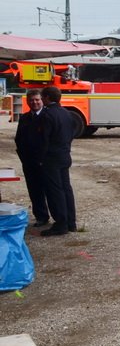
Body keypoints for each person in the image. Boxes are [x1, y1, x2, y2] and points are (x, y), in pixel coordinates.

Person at [37, 86, 77, 237]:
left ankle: (61, 224)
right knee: (66, 188)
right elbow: (72, 132)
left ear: (47, 98)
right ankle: (71, 222)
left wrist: (40, 157)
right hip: (64, 154)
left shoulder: (47, 115)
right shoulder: (66, 113)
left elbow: (44, 139)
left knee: (55, 191)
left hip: (51, 157)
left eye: (42, 97)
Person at [14, 89, 49, 226]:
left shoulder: (47, 116)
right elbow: (19, 138)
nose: (34, 102)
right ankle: (41, 216)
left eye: (37, 100)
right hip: (29, 162)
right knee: (34, 190)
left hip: (45, 162)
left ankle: (59, 217)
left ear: (42, 101)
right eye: (31, 100)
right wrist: (23, 156)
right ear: (27, 101)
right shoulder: (24, 118)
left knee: (50, 190)